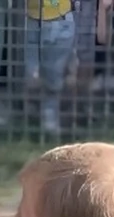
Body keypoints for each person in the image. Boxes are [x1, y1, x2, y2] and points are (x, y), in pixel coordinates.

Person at [25, 0, 78, 133]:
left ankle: (50, 118)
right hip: (33, 21)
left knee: (54, 76)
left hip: (59, 21)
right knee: (33, 76)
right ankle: (39, 115)